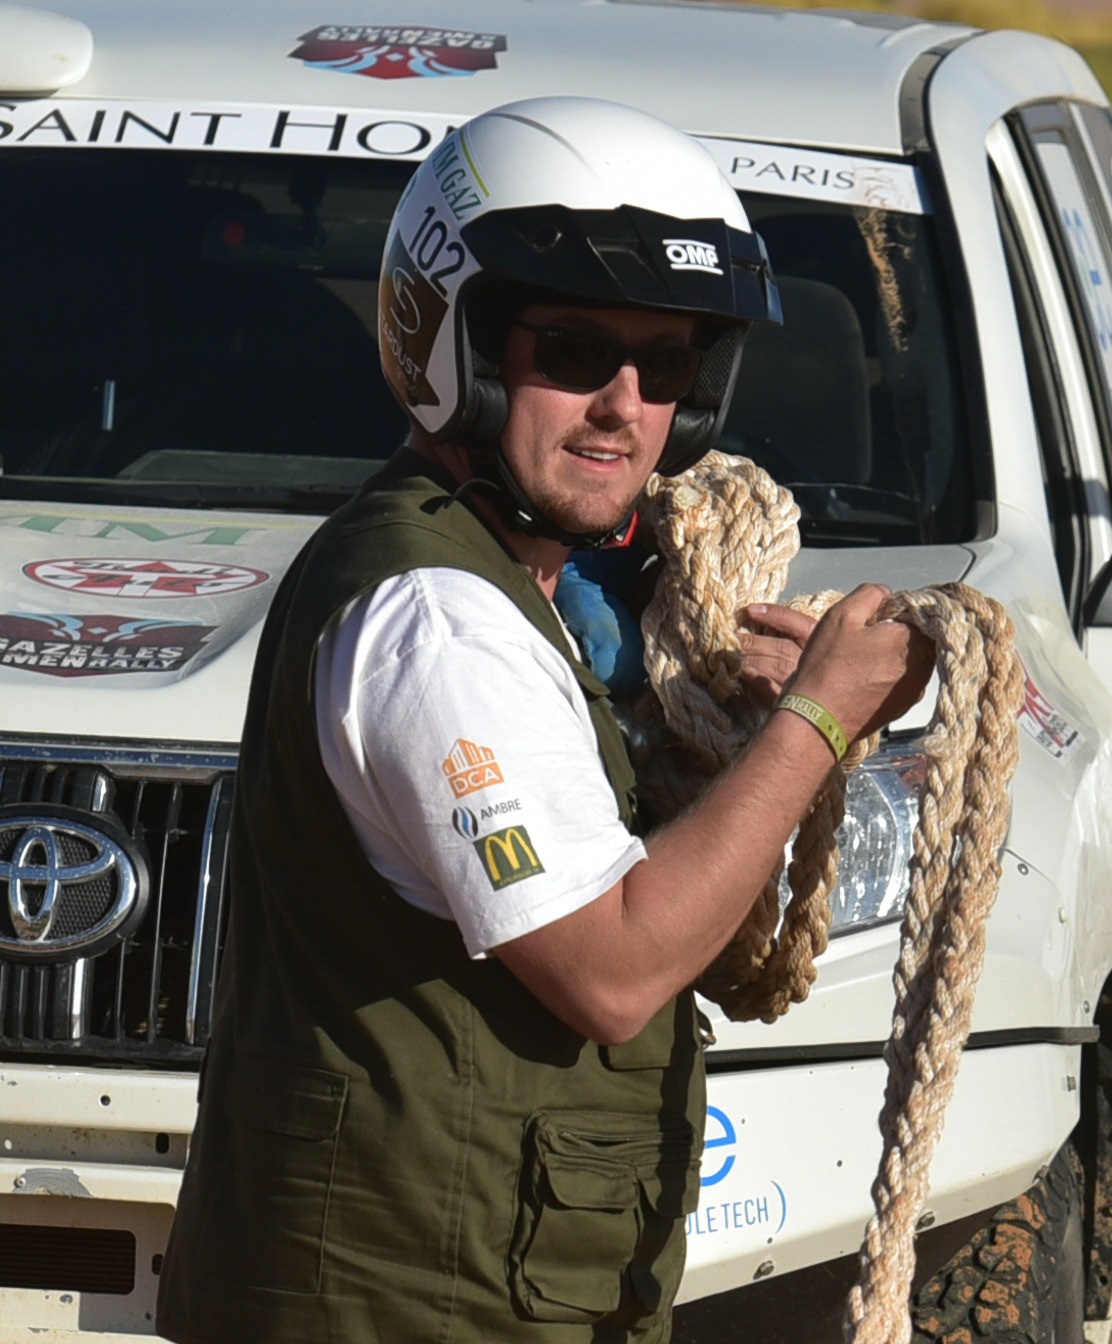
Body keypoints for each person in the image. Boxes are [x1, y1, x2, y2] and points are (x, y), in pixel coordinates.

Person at [156, 96, 933, 1344]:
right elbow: (611, 971)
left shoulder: (517, 595)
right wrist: (815, 723)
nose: (623, 406)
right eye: (571, 352)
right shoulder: (439, 624)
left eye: (664, 368)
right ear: (449, 345)